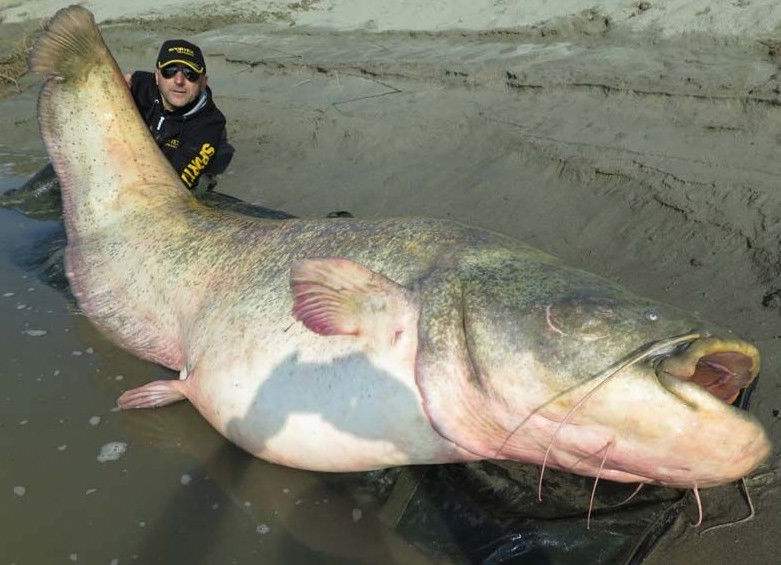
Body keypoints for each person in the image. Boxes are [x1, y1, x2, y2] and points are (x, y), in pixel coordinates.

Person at [124, 39, 233, 190]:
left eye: (190, 74)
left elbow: (173, 187)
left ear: (204, 82)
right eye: (170, 70)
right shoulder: (138, 86)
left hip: (177, 170)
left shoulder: (209, 126)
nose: (179, 80)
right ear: (157, 76)